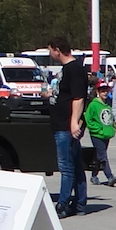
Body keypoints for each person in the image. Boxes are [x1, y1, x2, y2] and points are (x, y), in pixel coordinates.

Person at [48, 37, 89, 217]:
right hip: (61, 124)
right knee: (75, 165)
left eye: (50, 50)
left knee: (66, 167)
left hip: (66, 126)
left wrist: (74, 122)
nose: (50, 54)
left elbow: (78, 97)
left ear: (58, 50)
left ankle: (63, 204)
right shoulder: (67, 70)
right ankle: (79, 203)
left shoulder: (75, 69)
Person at [85, 81, 116, 187]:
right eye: (102, 91)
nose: (105, 93)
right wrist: (98, 129)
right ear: (97, 92)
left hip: (106, 134)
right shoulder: (93, 105)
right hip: (97, 135)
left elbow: (110, 118)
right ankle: (110, 176)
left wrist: (113, 127)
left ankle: (94, 175)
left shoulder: (108, 105)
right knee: (103, 155)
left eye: (106, 91)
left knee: (98, 156)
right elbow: (88, 119)